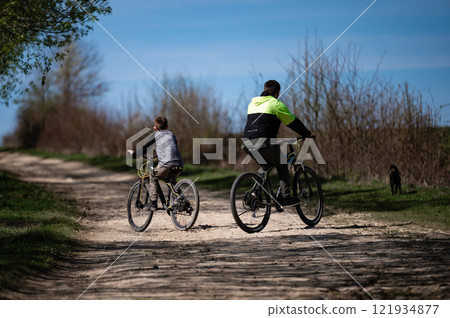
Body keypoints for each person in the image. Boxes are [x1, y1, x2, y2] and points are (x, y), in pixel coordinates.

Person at [243, 80, 312, 207]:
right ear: (277, 93)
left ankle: (255, 194)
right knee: (282, 163)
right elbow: (293, 122)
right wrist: (307, 133)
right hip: (263, 142)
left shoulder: (252, 104)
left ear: (264, 90)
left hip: (247, 143)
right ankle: (286, 198)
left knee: (265, 166)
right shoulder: (275, 104)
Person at [129, 116, 183, 210]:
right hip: (179, 163)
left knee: (153, 177)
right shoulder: (171, 134)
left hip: (166, 163)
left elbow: (144, 148)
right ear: (167, 126)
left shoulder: (155, 135)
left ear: (155, 128)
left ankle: (153, 202)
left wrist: (134, 154)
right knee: (171, 181)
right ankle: (181, 200)